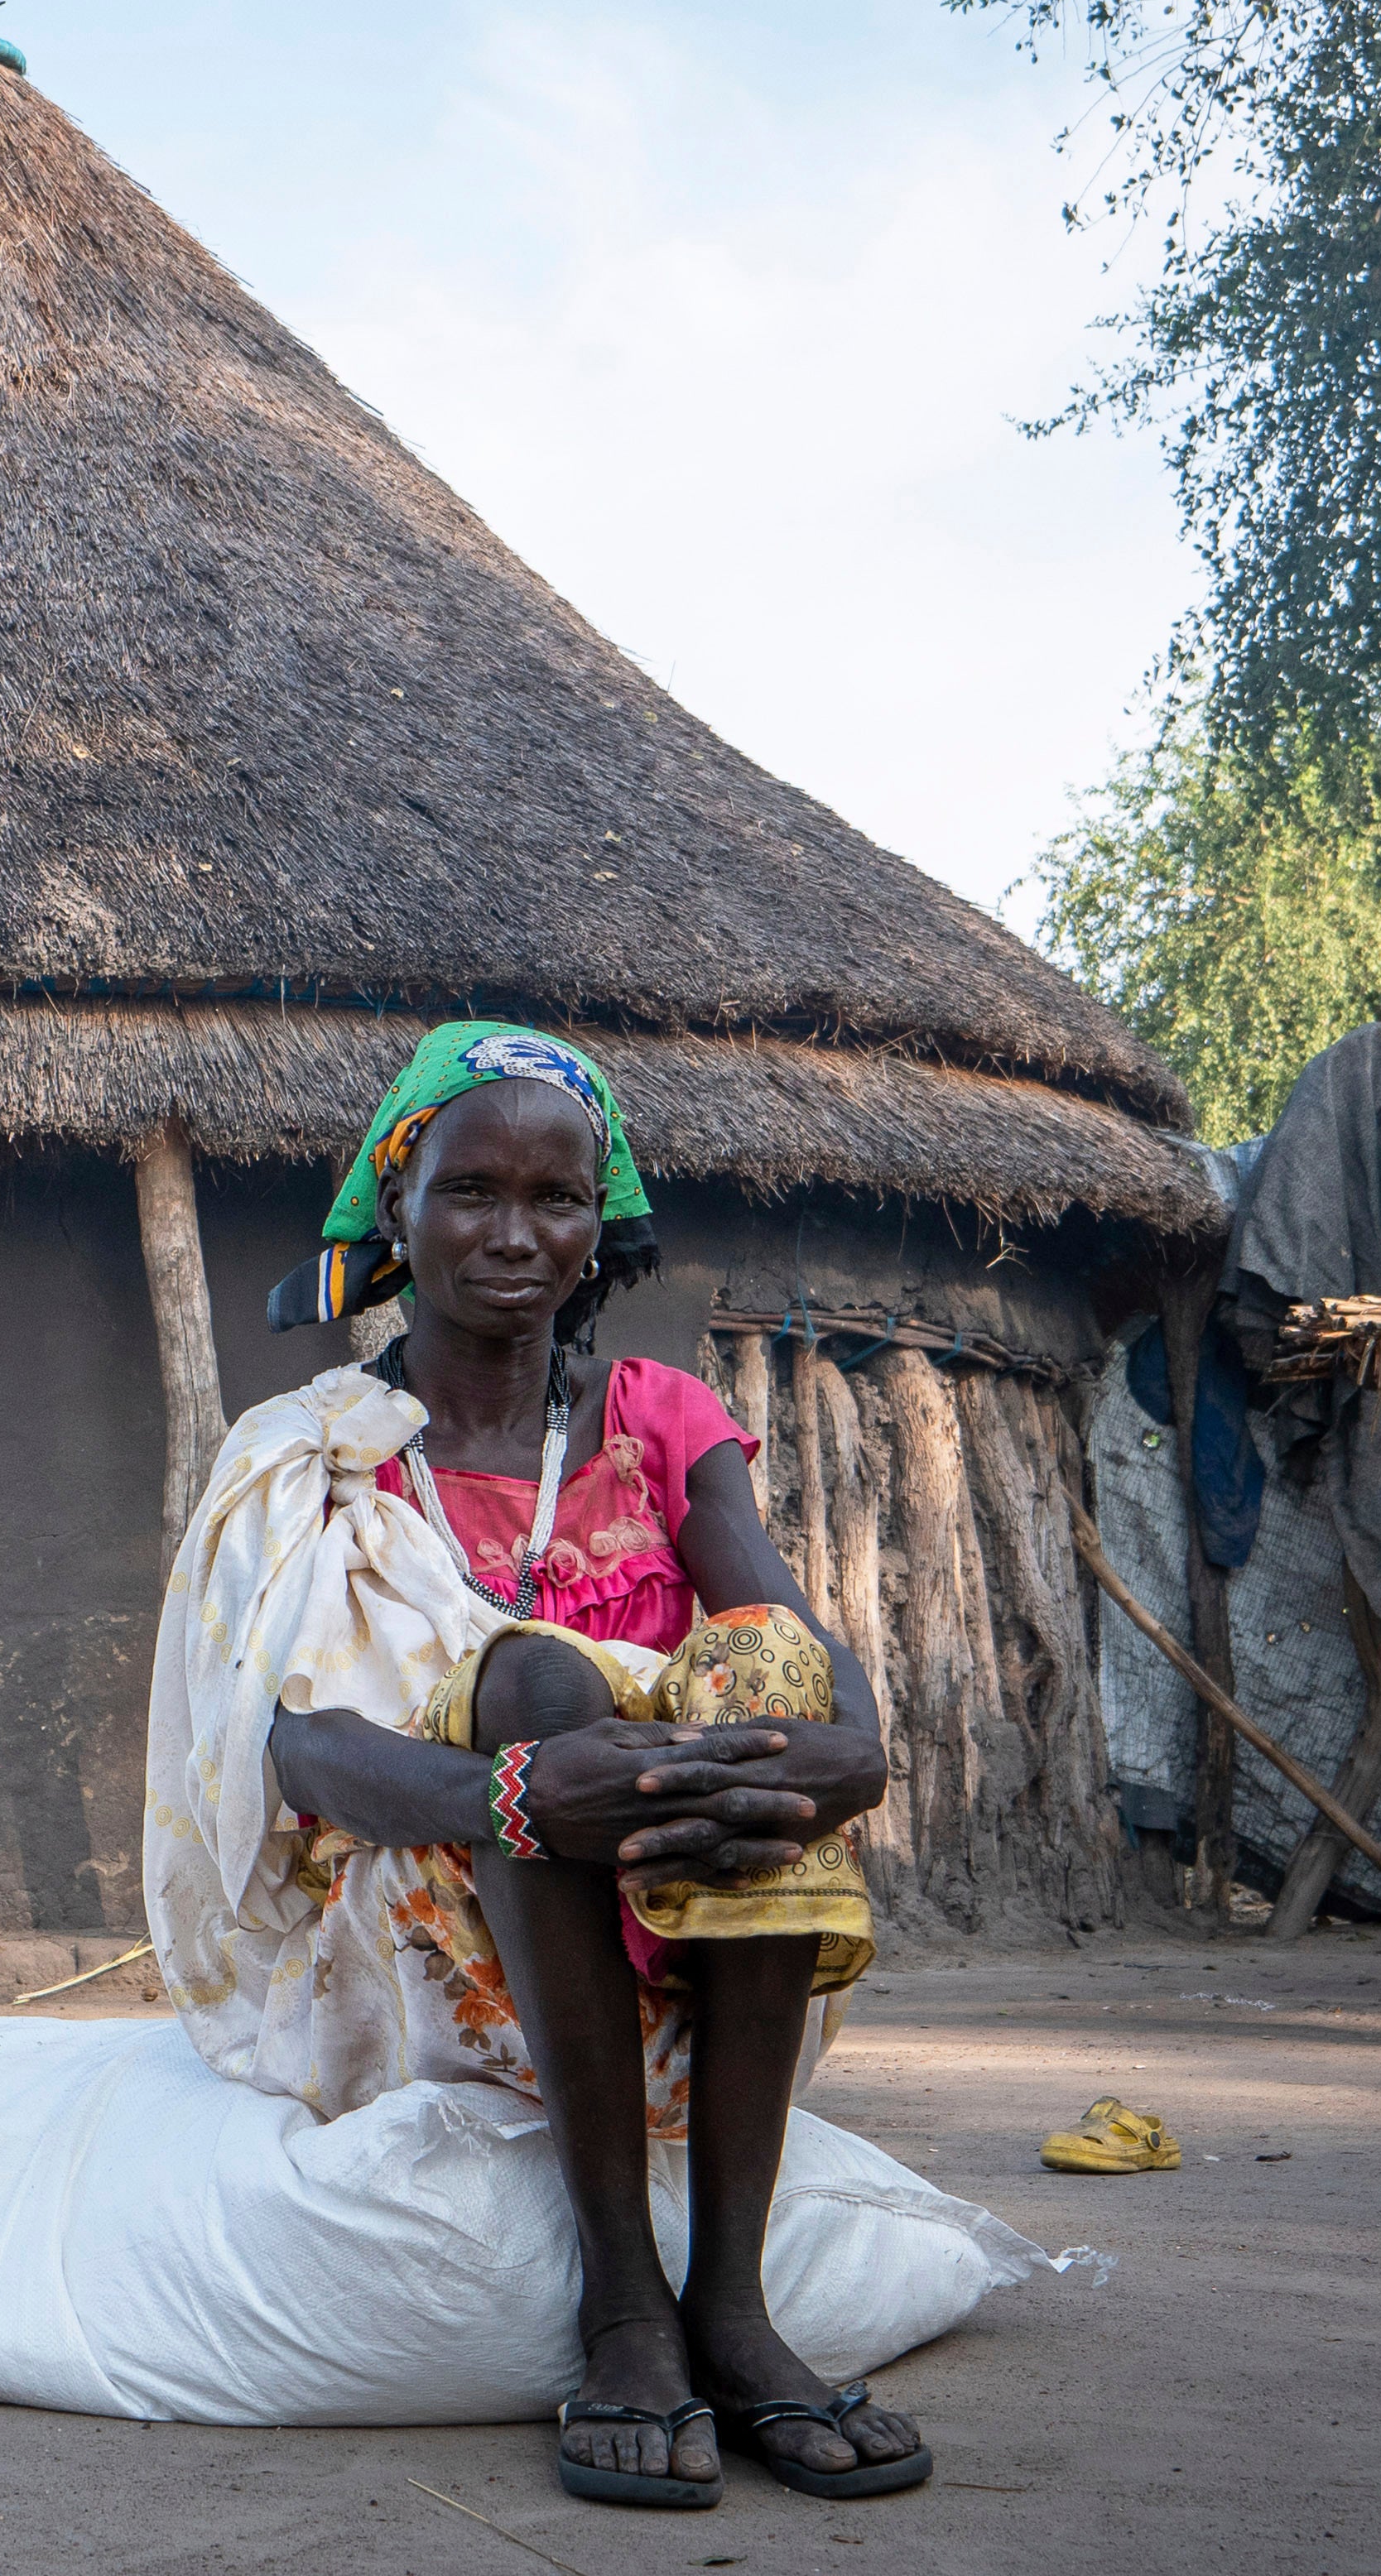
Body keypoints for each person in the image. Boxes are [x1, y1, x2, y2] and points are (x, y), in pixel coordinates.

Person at [146, 1023, 926, 2506]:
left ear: (597, 1223)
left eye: (555, 1198)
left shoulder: (658, 1423)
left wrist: (847, 1756)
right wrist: (521, 1794)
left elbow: (786, 1633)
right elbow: (294, 1747)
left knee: (763, 1670)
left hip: (679, 1918)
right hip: (432, 1921)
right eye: (469, 1192)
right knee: (541, 1680)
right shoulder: (321, 1452)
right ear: (398, 1207)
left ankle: (733, 2308)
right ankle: (626, 2306)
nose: (514, 1235)